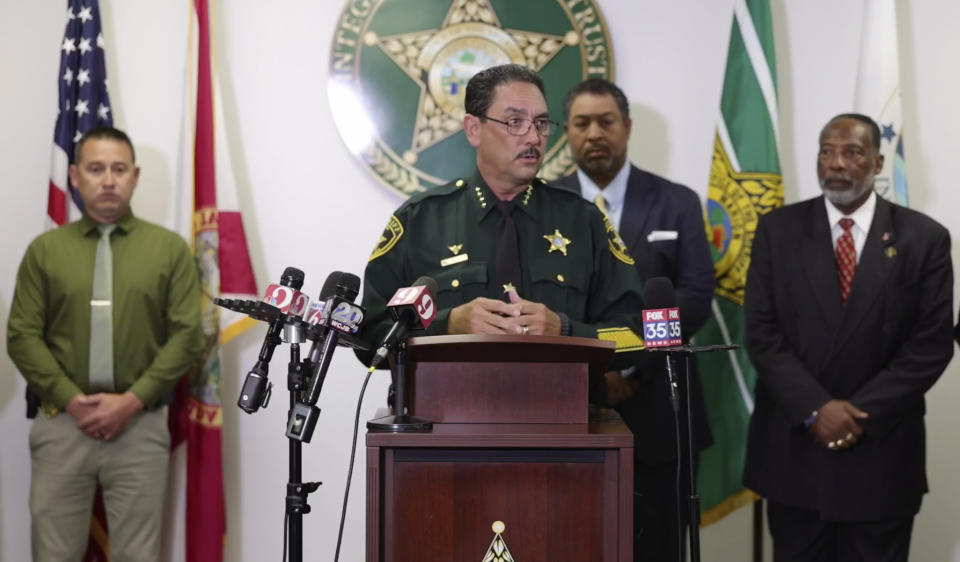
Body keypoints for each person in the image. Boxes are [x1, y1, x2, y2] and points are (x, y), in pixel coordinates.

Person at [743, 113, 954, 562]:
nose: (836, 163)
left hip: (880, 455)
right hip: (795, 454)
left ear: (878, 162)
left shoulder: (924, 239)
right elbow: (762, 334)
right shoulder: (776, 231)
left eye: (852, 152)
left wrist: (856, 415)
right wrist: (817, 409)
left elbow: (930, 345)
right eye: (826, 151)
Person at [358, 64, 645, 376]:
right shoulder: (421, 220)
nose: (533, 137)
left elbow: (637, 336)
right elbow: (369, 336)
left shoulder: (583, 220)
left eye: (541, 123)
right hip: (445, 420)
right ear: (473, 129)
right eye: (515, 122)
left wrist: (565, 329)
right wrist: (447, 325)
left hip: (564, 417)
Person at [7, 127, 203, 562]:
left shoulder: (168, 250)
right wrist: (72, 401)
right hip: (62, 425)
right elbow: (22, 335)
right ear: (75, 177)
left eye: (119, 169)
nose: (108, 180)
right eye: (96, 169)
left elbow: (188, 334)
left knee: (139, 555)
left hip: (141, 425)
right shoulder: (45, 250)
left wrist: (132, 401)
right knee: (52, 554)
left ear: (135, 176)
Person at [558, 78, 715, 562]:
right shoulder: (542, 204)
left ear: (626, 127)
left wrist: (627, 367)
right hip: (569, 411)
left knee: (660, 548)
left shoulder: (677, 201)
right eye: (582, 123)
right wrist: (596, 370)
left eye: (606, 122)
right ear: (567, 132)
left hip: (660, 414)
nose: (594, 134)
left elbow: (693, 299)